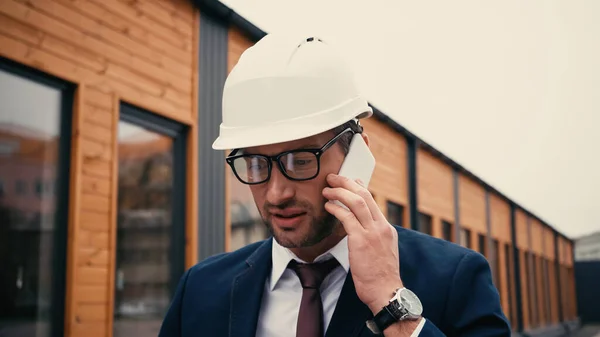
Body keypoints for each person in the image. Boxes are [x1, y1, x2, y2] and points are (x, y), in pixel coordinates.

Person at [158, 32, 511, 337]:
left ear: (357, 154)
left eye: (301, 161)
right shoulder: (200, 290)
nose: (277, 193)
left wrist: (392, 303)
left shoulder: (455, 278)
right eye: (255, 163)